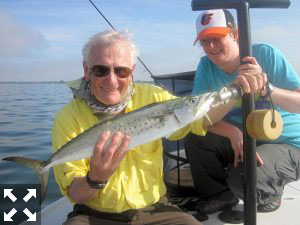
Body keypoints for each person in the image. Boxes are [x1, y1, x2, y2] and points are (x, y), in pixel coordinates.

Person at [52, 29, 265, 225]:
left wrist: (236, 89)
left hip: (156, 211)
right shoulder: (68, 117)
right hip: (93, 215)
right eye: (100, 70)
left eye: (121, 71)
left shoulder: (154, 97)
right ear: (86, 69)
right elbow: (76, 194)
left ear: (132, 71)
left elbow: (202, 119)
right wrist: (95, 178)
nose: (112, 80)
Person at [184, 8, 300, 215]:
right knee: (196, 136)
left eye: (216, 37)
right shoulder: (206, 66)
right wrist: (232, 127)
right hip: (245, 138)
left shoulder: (266, 53)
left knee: (246, 181)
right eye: (204, 41)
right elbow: (201, 118)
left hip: (287, 142)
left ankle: (271, 188)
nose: (210, 46)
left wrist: (266, 89)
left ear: (235, 34)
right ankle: (219, 193)